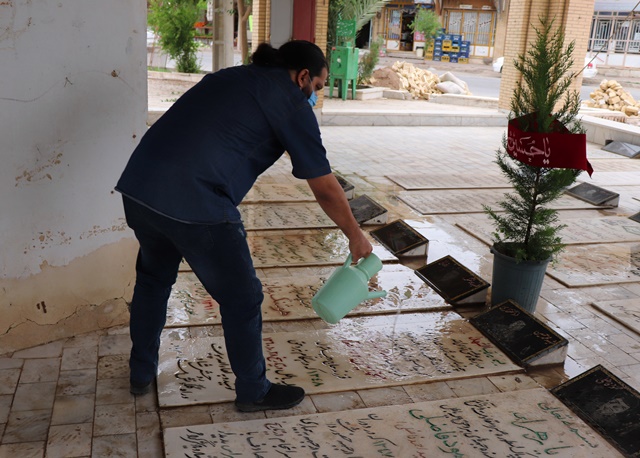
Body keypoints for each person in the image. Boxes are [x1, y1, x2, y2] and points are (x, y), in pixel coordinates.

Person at [115, 40, 372, 412]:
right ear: (302, 76)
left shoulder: (232, 76)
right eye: (316, 87)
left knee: (153, 280)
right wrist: (355, 235)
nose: (314, 96)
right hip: (197, 201)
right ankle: (254, 390)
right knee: (243, 298)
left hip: (140, 189)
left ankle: (140, 372)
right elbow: (325, 187)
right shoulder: (290, 102)